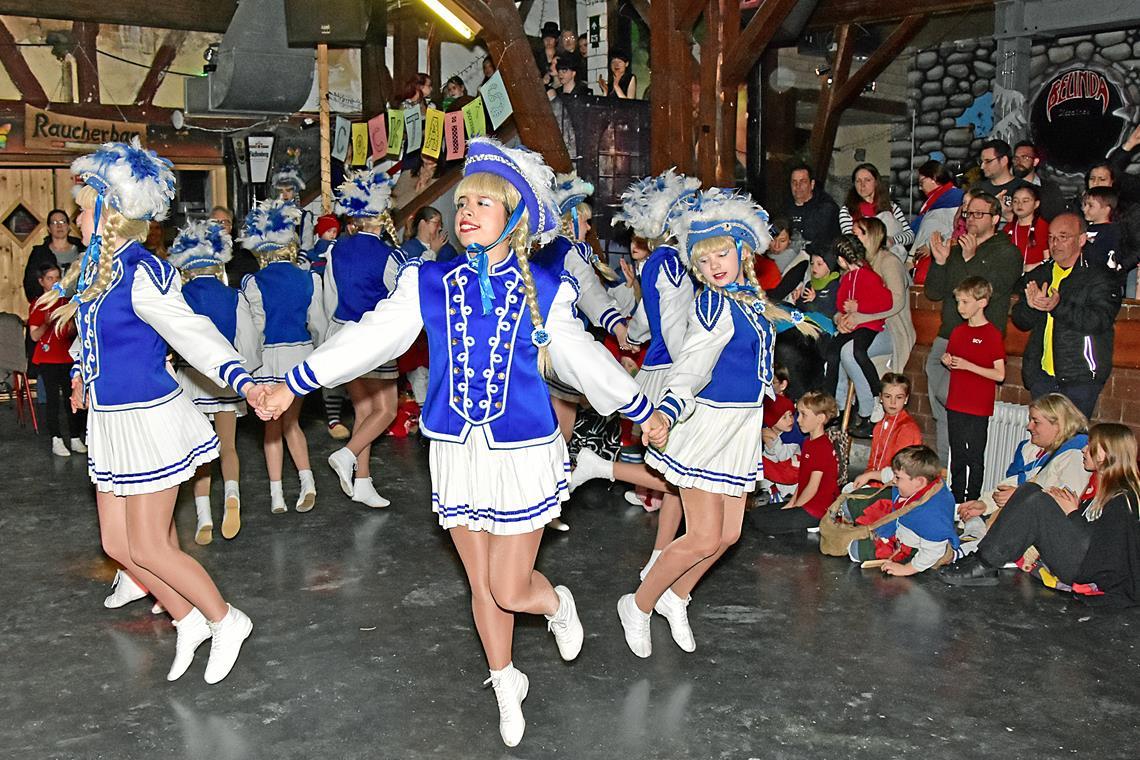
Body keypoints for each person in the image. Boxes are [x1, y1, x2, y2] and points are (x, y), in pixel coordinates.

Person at [259, 137, 667, 747]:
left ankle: (555, 604)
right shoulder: (430, 279)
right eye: (463, 200)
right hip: (454, 449)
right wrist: (297, 381)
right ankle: (506, 681)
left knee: (509, 586)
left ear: (515, 216)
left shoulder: (545, 284)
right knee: (480, 587)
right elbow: (372, 338)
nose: (465, 210)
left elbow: (580, 356)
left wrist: (640, 405)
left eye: (483, 201)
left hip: (523, 451)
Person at [39, 139, 259, 683]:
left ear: (113, 214)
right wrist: (78, 377)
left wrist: (240, 379)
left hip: (149, 419)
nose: (79, 220)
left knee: (149, 546)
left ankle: (226, 618)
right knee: (117, 545)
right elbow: (93, 340)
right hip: (111, 421)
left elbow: (193, 334)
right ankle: (187, 619)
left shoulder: (141, 271)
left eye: (86, 210)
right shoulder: (97, 275)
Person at [619, 189, 816, 657]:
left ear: (742, 251)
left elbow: (761, 315)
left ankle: (676, 595)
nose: (715, 267)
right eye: (704, 262)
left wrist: (801, 317)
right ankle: (639, 603)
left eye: (722, 254)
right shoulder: (714, 305)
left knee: (728, 534)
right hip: (707, 426)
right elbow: (692, 365)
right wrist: (667, 410)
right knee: (704, 534)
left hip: (741, 428)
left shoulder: (746, 297)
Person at [940, 422, 1140, 608]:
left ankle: (985, 563)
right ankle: (983, 559)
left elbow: (1101, 551)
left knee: (1040, 503)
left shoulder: (1122, 499)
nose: (1083, 450)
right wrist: (1069, 510)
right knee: (1030, 490)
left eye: (1090, 446)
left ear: (1105, 454)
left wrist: (1072, 512)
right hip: (1083, 558)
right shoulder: (1103, 486)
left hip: (1089, 572)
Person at [169, 219, 260, 544]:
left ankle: (203, 515)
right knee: (229, 447)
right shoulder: (232, 295)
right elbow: (248, 342)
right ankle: (232, 497)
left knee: (200, 452)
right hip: (226, 378)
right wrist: (247, 372)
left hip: (192, 379)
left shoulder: (179, 297)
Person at [323, 167, 406, 509]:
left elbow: (329, 298)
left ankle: (363, 481)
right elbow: (399, 302)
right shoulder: (390, 256)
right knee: (386, 411)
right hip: (374, 339)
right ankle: (347, 455)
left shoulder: (336, 249)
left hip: (343, 335)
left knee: (364, 411)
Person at [239, 200, 325, 515]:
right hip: (299, 356)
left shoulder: (253, 282)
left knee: (270, 428)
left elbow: (257, 326)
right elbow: (318, 324)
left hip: (267, 359)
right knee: (292, 423)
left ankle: (277, 495)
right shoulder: (307, 278)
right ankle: (308, 482)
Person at [923, 191, 1022, 462]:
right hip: (947, 335)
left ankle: (959, 465)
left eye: (979, 214)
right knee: (940, 407)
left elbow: (989, 290)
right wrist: (941, 262)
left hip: (978, 342)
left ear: (996, 218)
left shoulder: (1007, 252)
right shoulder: (959, 248)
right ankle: (945, 465)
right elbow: (933, 291)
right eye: (968, 214)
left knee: (957, 407)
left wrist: (970, 258)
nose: (971, 219)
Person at [1011, 213, 1122, 418]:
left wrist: (1057, 306)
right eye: (1051, 237)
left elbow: (1098, 320)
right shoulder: (1041, 274)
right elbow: (1020, 320)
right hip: (1042, 376)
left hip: (1079, 377)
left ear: (1081, 240)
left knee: (1070, 445)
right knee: (1042, 444)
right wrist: (1031, 306)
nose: (1055, 243)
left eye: (1063, 237)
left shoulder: (1099, 276)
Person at [956, 393, 1090, 531]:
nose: (1028, 427)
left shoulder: (1075, 454)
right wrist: (984, 504)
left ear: (1058, 425)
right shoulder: (1032, 449)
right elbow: (1012, 484)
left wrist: (1019, 497)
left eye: (1035, 422)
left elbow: (1066, 505)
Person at [839, 216, 916, 436]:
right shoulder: (857, 265)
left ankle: (870, 406)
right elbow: (844, 301)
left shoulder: (888, 262)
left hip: (892, 329)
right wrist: (841, 319)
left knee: (850, 351)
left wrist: (859, 317)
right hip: (866, 327)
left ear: (873, 236)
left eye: (859, 234)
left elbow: (896, 302)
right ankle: (859, 406)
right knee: (839, 351)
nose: (854, 238)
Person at [848, 446, 960, 576]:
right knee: (852, 501)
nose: (894, 480)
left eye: (898, 478)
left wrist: (906, 569)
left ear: (919, 482)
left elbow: (933, 552)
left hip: (912, 546)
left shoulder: (932, 516)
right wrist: (870, 475)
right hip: (899, 520)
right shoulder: (916, 480)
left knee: (855, 550)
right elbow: (892, 474)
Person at [942, 276, 1006, 503]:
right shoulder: (958, 332)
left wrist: (969, 366)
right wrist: (948, 360)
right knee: (957, 453)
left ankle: (972, 499)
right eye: (958, 302)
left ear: (982, 302)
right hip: (956, 402)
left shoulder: (992, 334)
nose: (960, 307)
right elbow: (953, 359)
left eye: (965, 302)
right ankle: (956, 498)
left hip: (978, 405)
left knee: (974, 455)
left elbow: (1000, 374)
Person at [823, 234, 892, 432]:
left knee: (857, 352)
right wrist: (844, 313)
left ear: (842, 259)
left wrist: (859, 306)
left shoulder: (870, 276)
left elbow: (885, 302)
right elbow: (840, 303)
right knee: (832, 353)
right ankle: (833, 404)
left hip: (869, 325)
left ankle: (877, 393)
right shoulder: (848, 278)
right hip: (853, 325)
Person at [751, 391, 840, 535]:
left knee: (763, 523)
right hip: (805, 504)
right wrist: (791, 504)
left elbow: (812, 487)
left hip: (815, 510)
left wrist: (795, 508)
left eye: (803, 415)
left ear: (820, 418)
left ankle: (814, 524)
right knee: (756, 515)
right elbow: (803, 482)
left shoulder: (822, 446)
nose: (798, 420)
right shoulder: (809, 443)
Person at [27, 262, 85, 456]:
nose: (54, 282)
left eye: (57, 278)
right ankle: (56, 439)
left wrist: (71, 325)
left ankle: (75, 437)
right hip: (47, 359)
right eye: (49, 278)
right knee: (52, 400)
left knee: (73, 398)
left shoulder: (67, 302)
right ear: (41, 281)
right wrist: (46, 324)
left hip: (67, 357)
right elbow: (34, 336)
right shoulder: (38, 304)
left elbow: (73, 332)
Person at [849, 373, 923, 488]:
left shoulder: (907, 429)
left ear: (906, 399)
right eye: (888, 396)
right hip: (875, 485)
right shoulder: (879, 425)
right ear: (881, 397)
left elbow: (901, 471)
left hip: (896, 489)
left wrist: (870, 476)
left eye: (899, 397)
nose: (893, 402)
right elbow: (872, 463)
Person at [838, 163, 914, 260]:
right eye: (858, 181)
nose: (862, 185)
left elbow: (910, 235)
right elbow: (850, 241)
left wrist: (893, 240)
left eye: (867, 180)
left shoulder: (892, 207)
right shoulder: (847, 211)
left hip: (892, 260)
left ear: (876, 182)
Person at [910, 161, 964, 265]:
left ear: (934, 178)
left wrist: (930, 245)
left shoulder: (956, 199)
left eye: (921, 183)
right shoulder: (935, 201)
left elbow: (957, 231)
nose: (920, 188)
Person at [23, 209, 85, 300]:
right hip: (50, 305)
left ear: (68, 226)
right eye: (54, 222)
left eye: (62, 221)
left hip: (79, 304)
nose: (59, 226)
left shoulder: (83, 250)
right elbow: (30, 283)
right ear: (48, 228)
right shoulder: (39, 253)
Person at [786, 163, 841, 257]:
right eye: (794, 182)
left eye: (802, 182)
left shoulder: (827, 208)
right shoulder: (785, 207)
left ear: (812, 184)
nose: (797, 186)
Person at [1011, 140, 1069, 221]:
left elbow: (1059, 219)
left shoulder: (1050, 189)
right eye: (1016, 158)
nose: (1019, 162)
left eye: (1025, 158)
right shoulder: (1008, 187)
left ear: (1035, 162)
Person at [973, 139, 1029, 223]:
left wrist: (1007, 215)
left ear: (1004, 161)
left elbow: (1032, 226)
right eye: (981, 162)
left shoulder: (1026, 190)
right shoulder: (977, 189)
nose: (982, 166)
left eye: (988, 161)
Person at [1005, 185, 1050, 271]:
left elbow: (1048, 260)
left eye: (1025, 201)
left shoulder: (1044, 227)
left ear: (1036, 204)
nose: (1019, 204)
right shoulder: (1008, 228)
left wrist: (1029, 268)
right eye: (1015, 201)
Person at [1081, 186, 1124, 274]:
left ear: (1106, 210)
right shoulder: (1083, 228)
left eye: (1090, 206)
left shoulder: (1112, 232)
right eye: (1085, 205)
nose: (1085, 209)